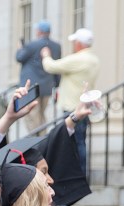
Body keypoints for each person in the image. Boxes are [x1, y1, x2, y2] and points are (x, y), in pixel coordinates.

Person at [42, 28, 100, 173]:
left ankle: (77, 174)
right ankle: (80, 174)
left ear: (79, 43)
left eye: (75, 41)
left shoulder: (79, 58)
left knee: (72, 143)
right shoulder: (94, 59)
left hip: (72, 108)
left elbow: (51, 67)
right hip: (83, 107)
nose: (74, 44)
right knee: (80, 142)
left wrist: (46, 55)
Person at [16, 20, 62, 131]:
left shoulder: (32, 45)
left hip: (31, 88)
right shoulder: (56, 46)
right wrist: (56, 85)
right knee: (41, 117)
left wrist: (20, 48)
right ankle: (43, 143)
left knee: (32, 117)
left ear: (39, 31)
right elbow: (57, 68)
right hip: (47, 87)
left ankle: (36, 145)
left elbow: (19, 58)